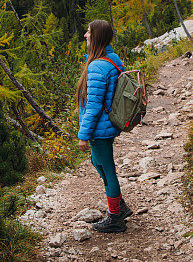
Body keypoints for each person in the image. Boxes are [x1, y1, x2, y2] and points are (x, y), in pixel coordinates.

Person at [76, 19, 133, 233]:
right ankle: (120, 206)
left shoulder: (97, 66)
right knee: (98, 162)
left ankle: (115, 217)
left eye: (89, 32)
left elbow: (94, 106)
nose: (85, 35)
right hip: (108, 125)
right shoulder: (113, 59)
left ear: (96, 36)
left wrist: (83, 134)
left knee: (107, 169)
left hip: (100, 128)